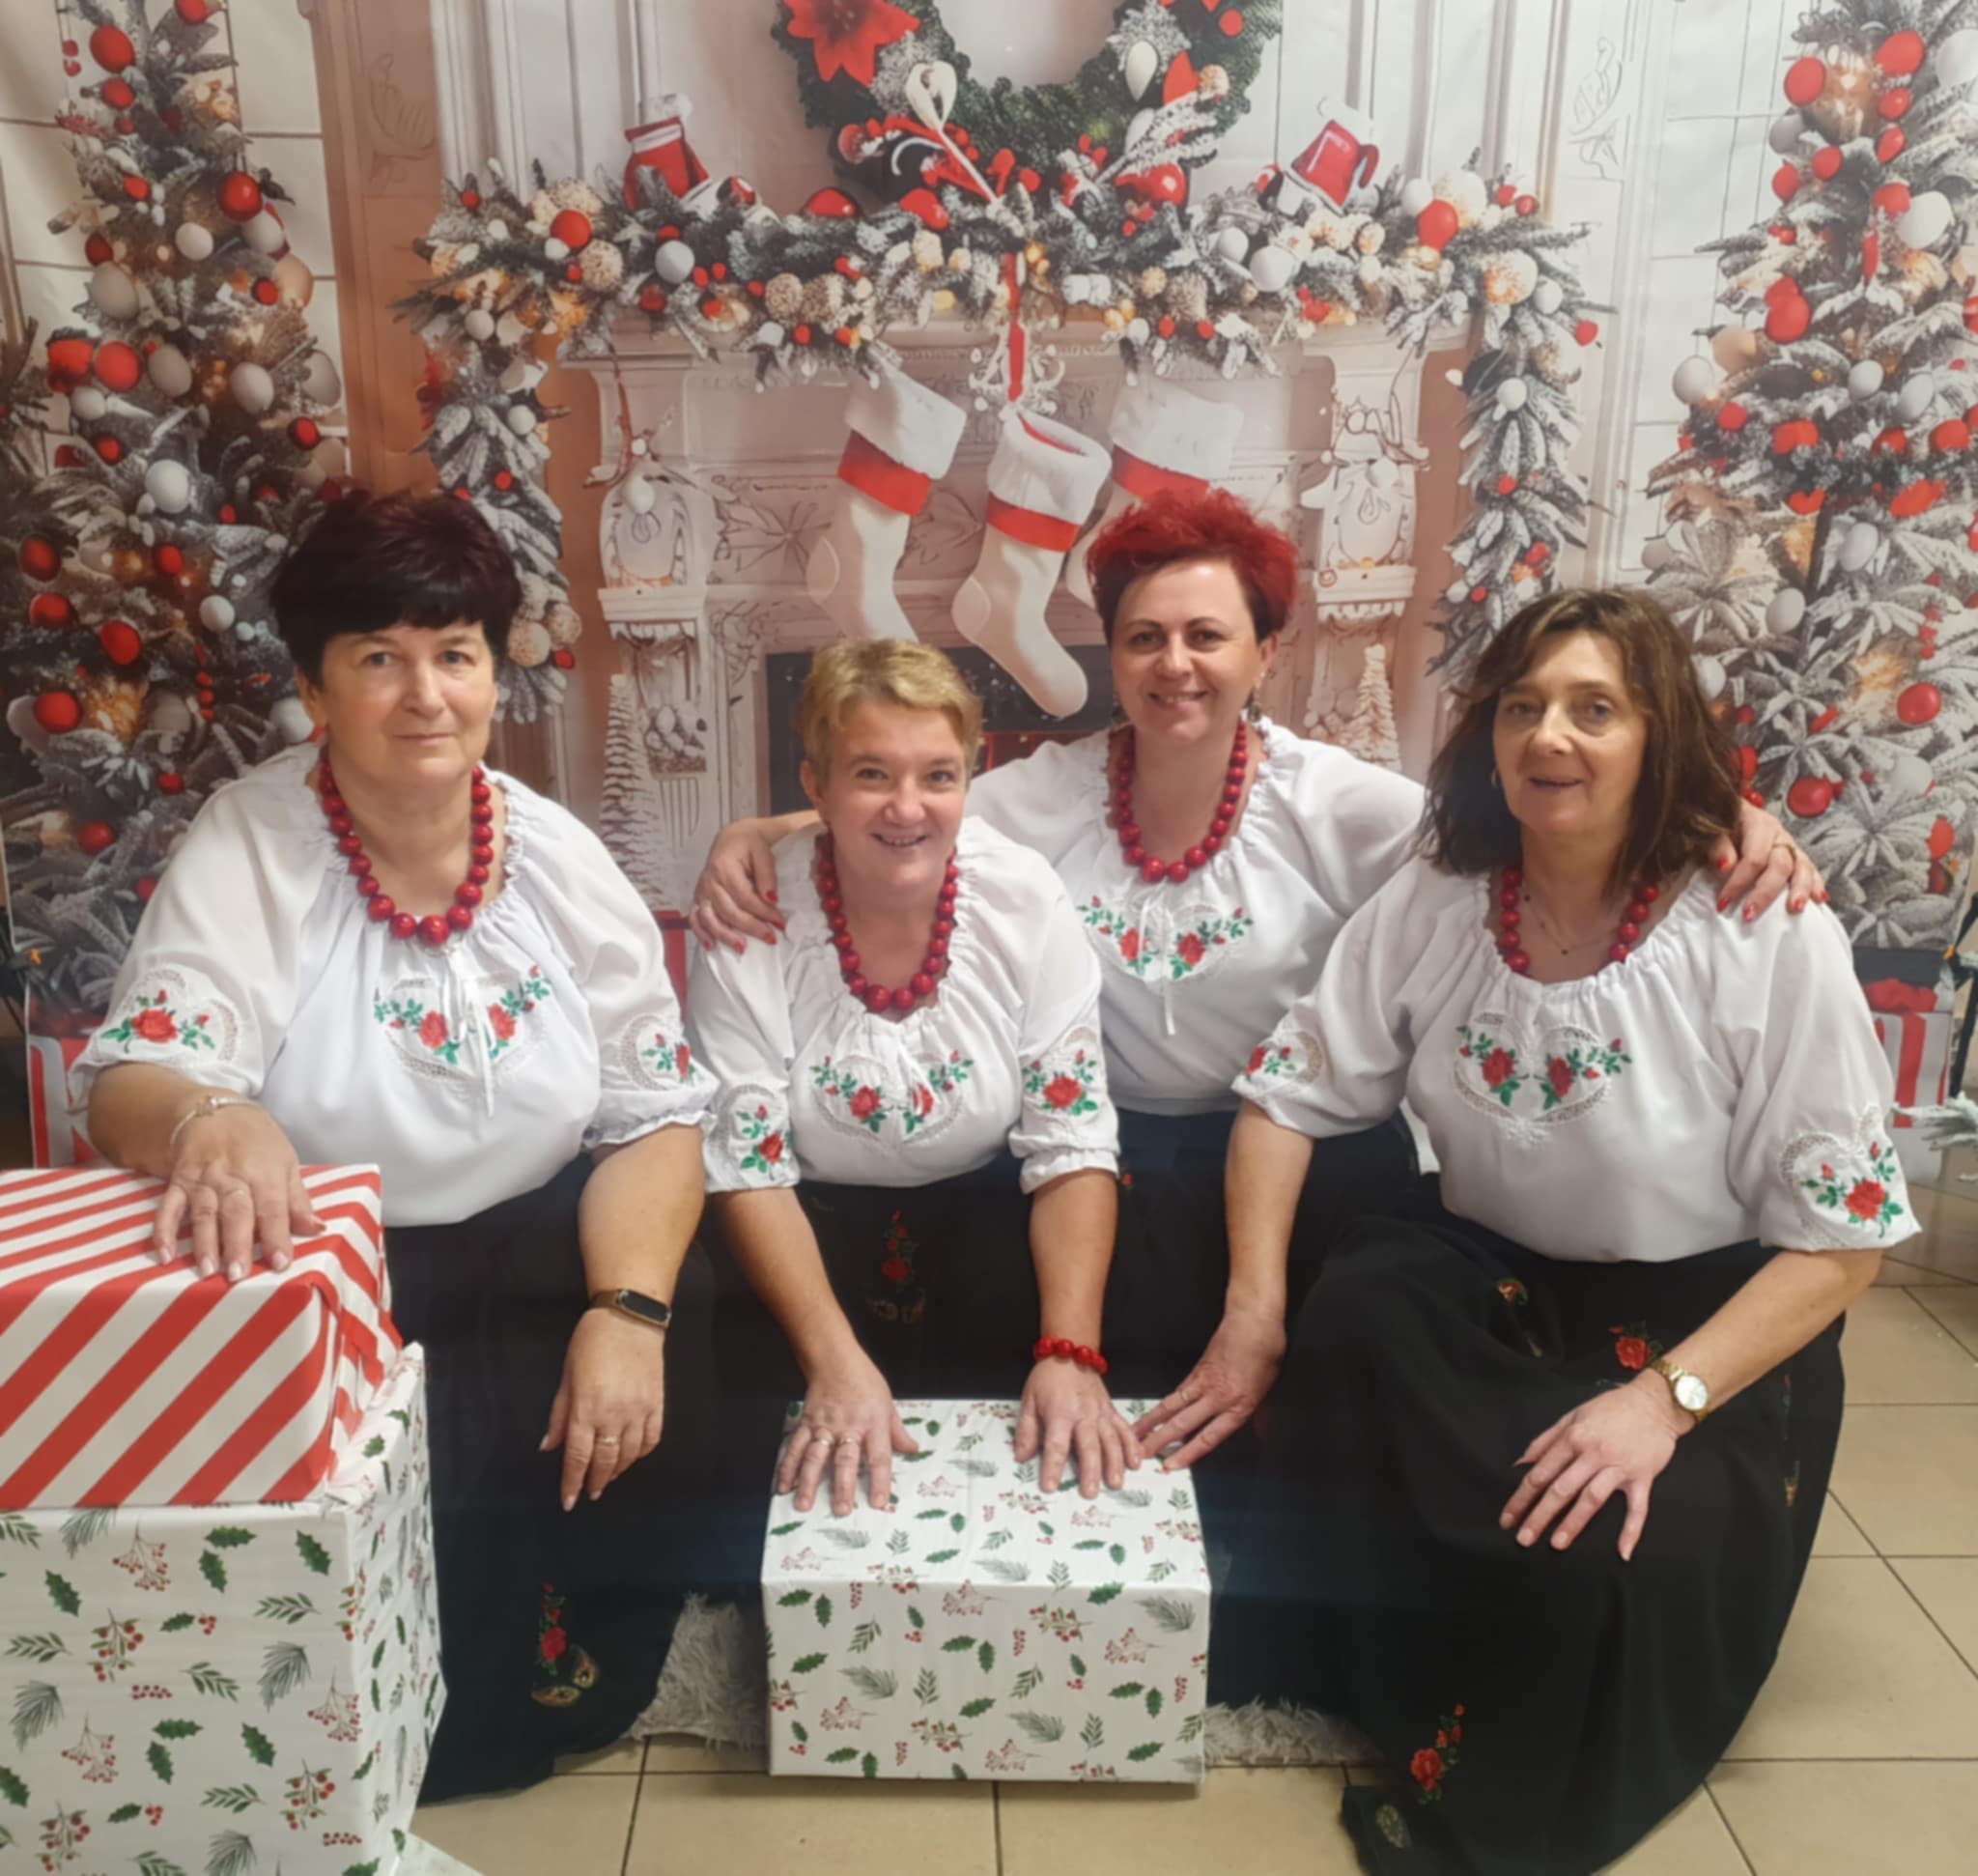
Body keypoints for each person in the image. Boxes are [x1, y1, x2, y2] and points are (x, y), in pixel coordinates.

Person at [688, 492, 1824, 1467]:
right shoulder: (1039, 798)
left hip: (1295, 1159)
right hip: (1113, 1154)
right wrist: (755, 832)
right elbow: (906, 811)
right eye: (1142, 637)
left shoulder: (1342, 805)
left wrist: (1723, 813)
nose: (1173, 664)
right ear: (1112, 653)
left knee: (1322, 1383)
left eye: (1205, 635)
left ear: (1263, 652)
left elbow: (1527, 818)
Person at [1226, 586, 1909, 1874]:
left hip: (1701, 1329)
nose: (1549, 736)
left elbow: (1845, 1246)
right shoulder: (1440, 897)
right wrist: (1251, 1316)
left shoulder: (1763, 929)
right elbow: (1283, 1097)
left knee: (1593, 1547)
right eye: (1523, 706)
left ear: (1657, 737)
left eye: (1596, 709)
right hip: (1486, 1284)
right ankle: (1359, 1658)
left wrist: (1660, 1402)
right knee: (1352, 1317)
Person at [74, 492, 714, 1800]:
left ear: (491, 673)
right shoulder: (256, 843)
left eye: (455, 653)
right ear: (316, 689)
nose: (427, 694)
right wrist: (209, 1113)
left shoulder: (552, 853)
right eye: (380, 657)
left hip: (551, 1260)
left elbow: (655, 1118)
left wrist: (628, 1312)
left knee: (680, 1337)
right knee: (394, 1673)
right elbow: (127, 1079)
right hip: (346, 1280)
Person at [688, 640, 1131, 1517]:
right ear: (815, 787)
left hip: (992, 1247)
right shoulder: (751, 911)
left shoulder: (1024, 899)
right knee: (783, 1509)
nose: (906, 807)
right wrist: (832, 1362)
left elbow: (1072, 1141)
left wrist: (1068, 1351)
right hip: (796, 1258)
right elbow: (748, 1164)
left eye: (937, 776)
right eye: (870, 774)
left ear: (970, 778)